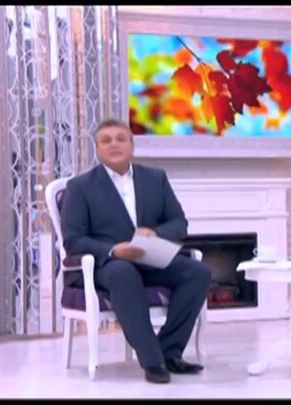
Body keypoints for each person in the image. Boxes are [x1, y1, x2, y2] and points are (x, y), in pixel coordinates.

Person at [60, 118, 211, 384]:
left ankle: (169, 351)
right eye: (106, 140)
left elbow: (179, 223)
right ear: (97, 149)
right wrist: (113, 250)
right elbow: (73, 240)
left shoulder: (155, 178)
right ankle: (153, 361)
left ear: (132, 145)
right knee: (123, 272)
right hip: (106, 265)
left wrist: (156, 233)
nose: (114, 144)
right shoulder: (80, 187)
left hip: (149, 257)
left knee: (198, 271)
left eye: (121, 139)